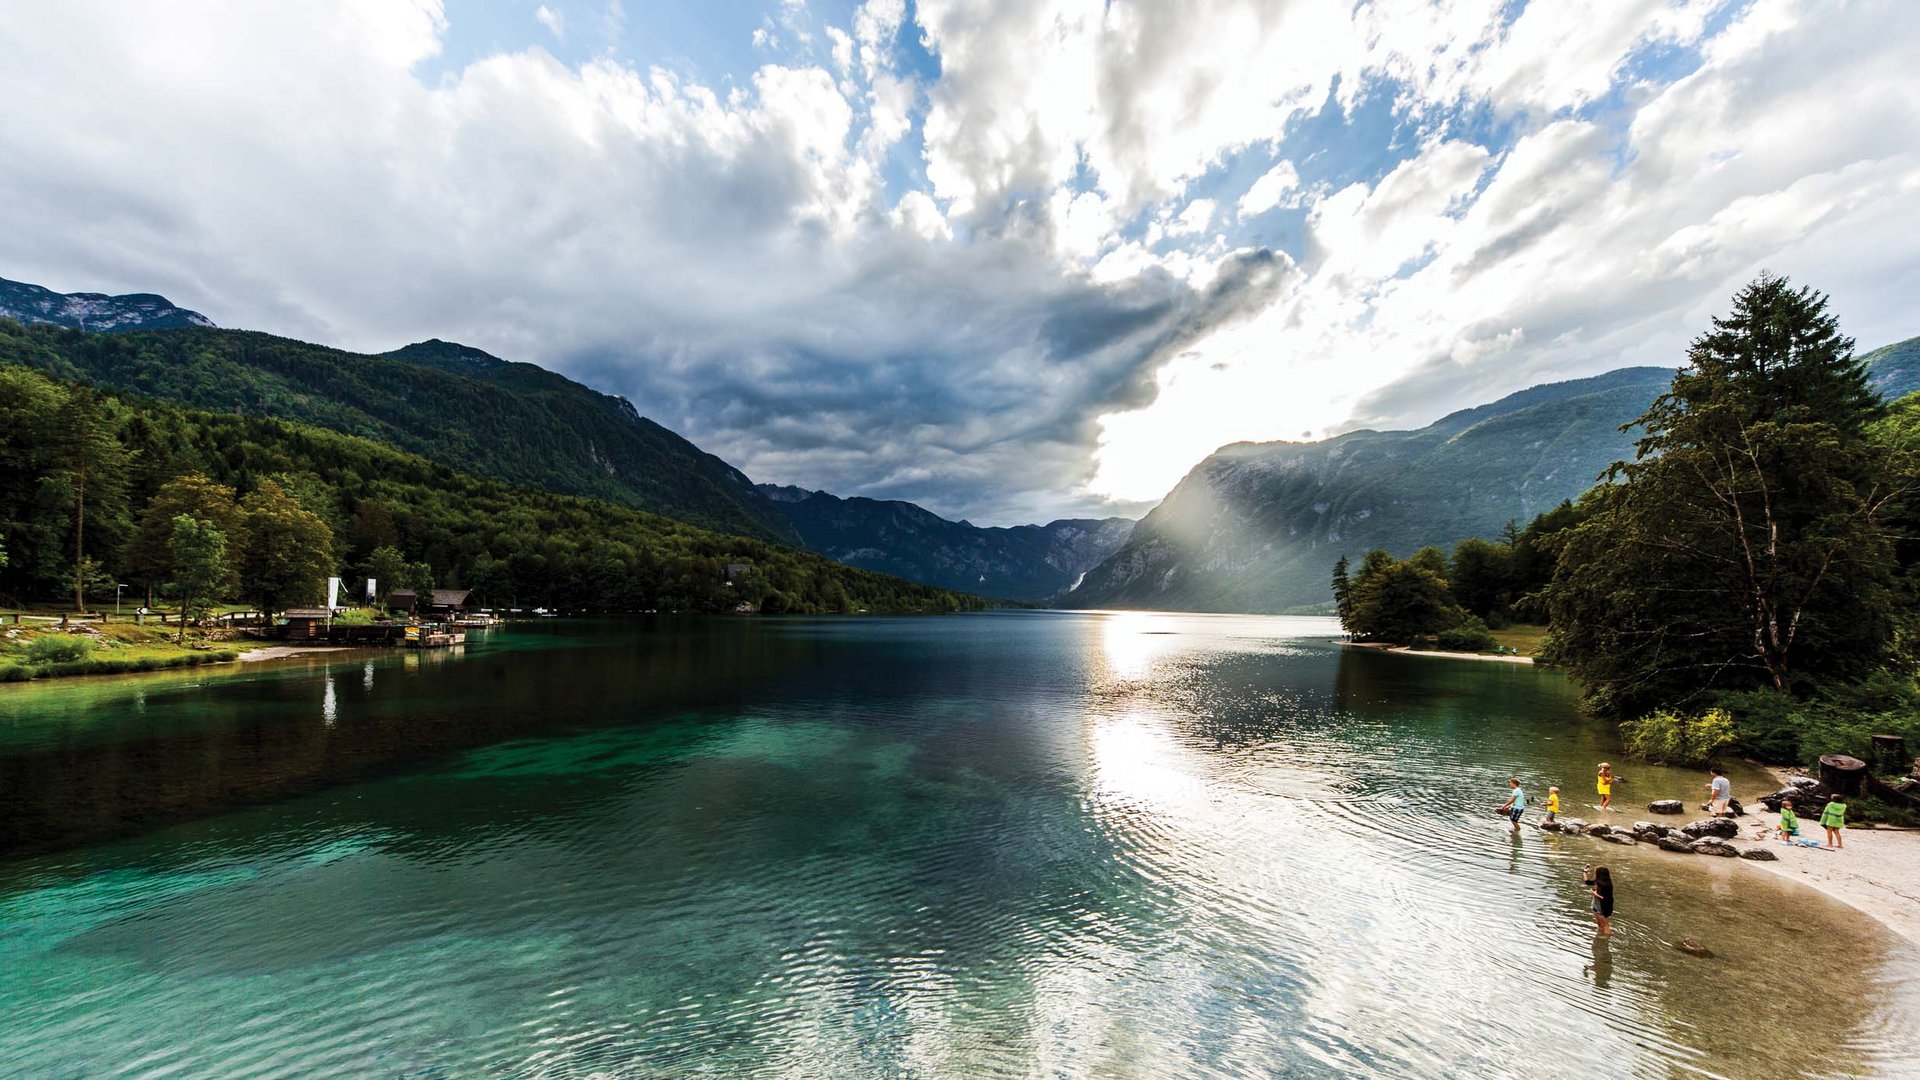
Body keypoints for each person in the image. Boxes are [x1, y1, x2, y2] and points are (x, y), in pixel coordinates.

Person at [1584, 864, 1614, 937]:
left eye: (1595, 872)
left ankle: (1607, 938)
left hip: (1603, 906)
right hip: (1595, 904)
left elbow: (1606, 898)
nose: (1594, 874)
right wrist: (1585, 872)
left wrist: (1594, 893)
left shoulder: (1607, 885)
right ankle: (1599, 936)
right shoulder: (1598, 881)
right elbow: (1587, 882)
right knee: (1599, 924)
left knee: (1605, 925)